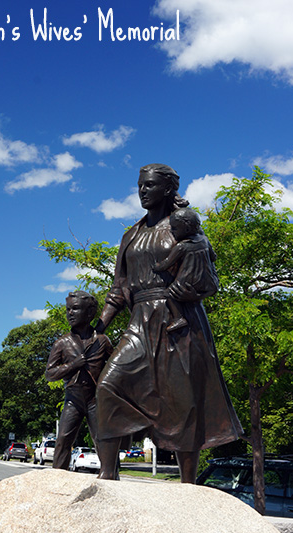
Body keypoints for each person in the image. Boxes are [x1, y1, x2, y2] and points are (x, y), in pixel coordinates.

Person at [94, 164, 243, 483]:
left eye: (149, 185)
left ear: (167, 190)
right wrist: (100, 326)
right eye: (139, 185)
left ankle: (188, 485)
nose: (142, 191)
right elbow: (119, 287)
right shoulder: (131, 234)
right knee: (107, 386)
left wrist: (187, 288)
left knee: (182, 403)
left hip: (180, 322)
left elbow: (209, 279)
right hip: (138, 324)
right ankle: (108, 475)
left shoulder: (183, 227)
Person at [45, 290, 113, 471]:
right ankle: (58, 478)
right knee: (62, 440)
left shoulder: (102, 341)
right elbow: (50, 373)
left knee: (103, 440)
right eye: (68, 309)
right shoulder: (62, 343)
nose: (70, 313)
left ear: (90, 313)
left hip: (95, 399)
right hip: (73, 400)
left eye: (75, 309)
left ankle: (111, 477)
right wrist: (72, 365)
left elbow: (115, 369)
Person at [152, 207, 219, 332]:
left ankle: (178, 318)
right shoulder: (204, 240)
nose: (171, 231)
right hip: (206, 280)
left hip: (188, 280)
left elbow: (167, 263)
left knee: (169, 293)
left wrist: (156, 267)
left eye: (174, 228)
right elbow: (213, 257)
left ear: (187, 229)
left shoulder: (182, 247)